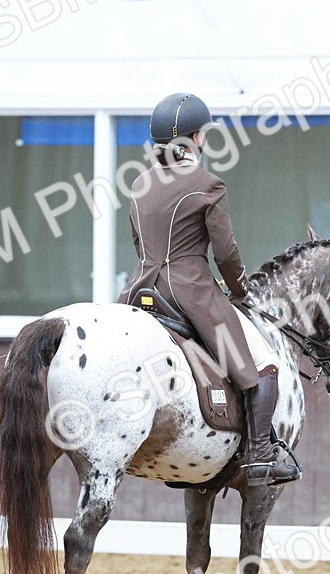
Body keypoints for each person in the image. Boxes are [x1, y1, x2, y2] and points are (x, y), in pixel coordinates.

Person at [118, 93, 299, 487]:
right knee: (260, 364)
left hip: (139, 291)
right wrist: (240, 291)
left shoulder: (139, 183)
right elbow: (226, 252)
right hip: (191, 294)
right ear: (196, 138)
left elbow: (138, 242)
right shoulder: (208, 184)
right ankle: (260, 456)